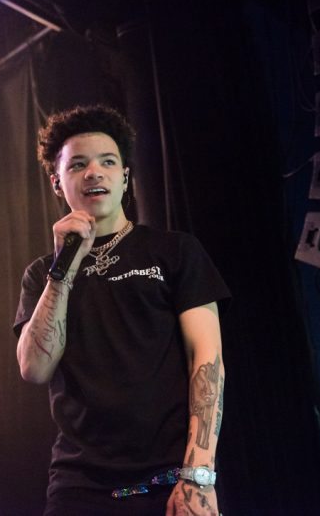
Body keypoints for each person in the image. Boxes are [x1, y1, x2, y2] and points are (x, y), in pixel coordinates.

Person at [14, 105, 231, 515]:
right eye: (78, 164)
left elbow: (207, 361)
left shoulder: (175, 251)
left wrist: (198, 475)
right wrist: (63, 269)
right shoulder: (42, 274)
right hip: (79, 487)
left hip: (171, 479)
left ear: (126, 177)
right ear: (57, 182)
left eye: (108, 162)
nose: (94, 173)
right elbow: (34, 369)